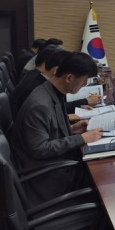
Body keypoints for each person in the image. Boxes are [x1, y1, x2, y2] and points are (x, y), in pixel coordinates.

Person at [11, 52, 103, 204]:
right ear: (69, 78)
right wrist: (81, 138)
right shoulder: (40, 105)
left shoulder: (50, 91)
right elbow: (40, 149)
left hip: (55, 164)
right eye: (84, 81)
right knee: (102, 181)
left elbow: (48, 129)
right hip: (46, 177)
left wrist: (71, 129)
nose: (84, 85)